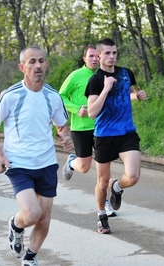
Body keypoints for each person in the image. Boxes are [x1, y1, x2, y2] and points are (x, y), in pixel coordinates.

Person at [0, 45, 73, 266]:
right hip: (18, 163)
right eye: (32, 62)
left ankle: (30, 257)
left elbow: (62, 125)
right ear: (22, 67)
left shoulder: (53, 96)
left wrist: (65, 136)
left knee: (44, 216)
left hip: (46, 163)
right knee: (32, 214)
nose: (38, 66)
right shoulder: (10, 95)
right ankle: (16, 224)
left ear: (46, 64)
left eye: (41, 61)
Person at [84, 38, 147, 234]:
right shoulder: (95, 80)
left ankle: (117, 187)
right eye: (107, 54)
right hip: (104, 135)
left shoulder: (126, 73)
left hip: (127, 132)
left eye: (114, 53)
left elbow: (127, 94)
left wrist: (137, 96)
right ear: (99, 56)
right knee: (102, 182)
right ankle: (102, 215)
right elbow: (92, 112)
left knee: (134, 176)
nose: (111, 57)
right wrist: (105, 88)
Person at [59, 44, 116, 217]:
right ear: (84, 59)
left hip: (102, 128)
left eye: (95, 56)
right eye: (90, 56)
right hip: (81, 128)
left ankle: (105, 202)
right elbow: (60, 96)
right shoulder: (76, 76)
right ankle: (71, 162)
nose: (94, 59)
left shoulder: (106, 76)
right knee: (84, 167)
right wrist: (76, 109)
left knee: (103, 171)